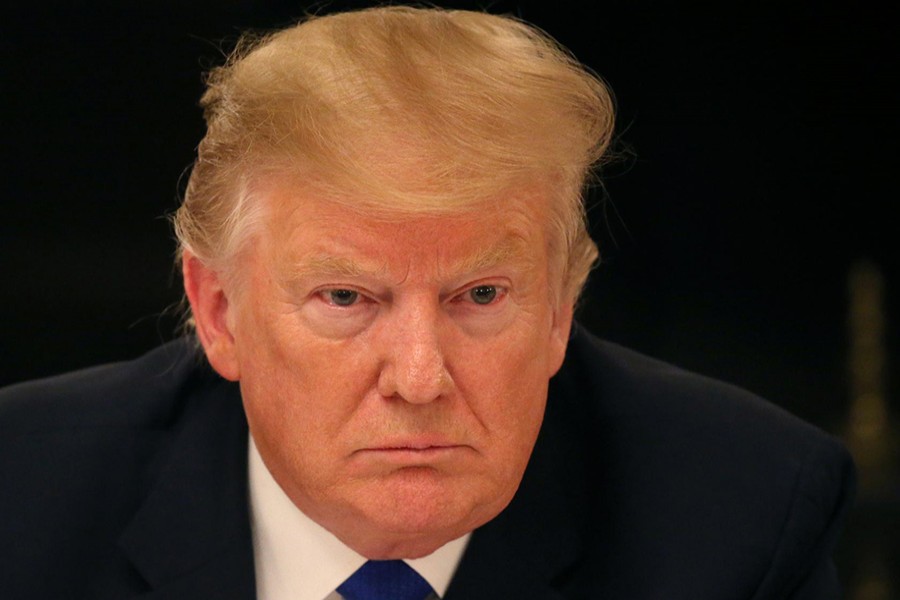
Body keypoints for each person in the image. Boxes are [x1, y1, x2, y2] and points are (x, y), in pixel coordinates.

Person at [0, 6, 854, 599]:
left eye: (480, 295)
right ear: (220, 313)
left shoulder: (744, 516)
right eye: (346, 297)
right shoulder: (25, 496)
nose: (419, 377)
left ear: (560, 309)